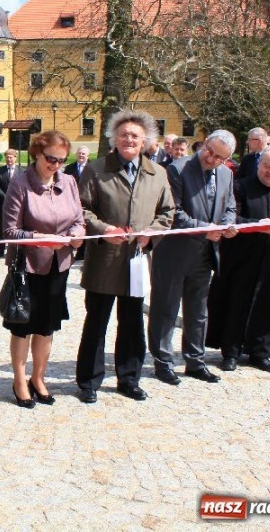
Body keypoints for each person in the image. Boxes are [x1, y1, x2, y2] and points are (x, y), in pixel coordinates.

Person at [76, 110, 175, 404]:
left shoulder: (158, 173)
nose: (128, 139)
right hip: (104, 260)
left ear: (145, 140)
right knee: (96, 322)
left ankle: (129, 378)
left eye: (134, 135)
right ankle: (89, 381)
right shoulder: (96, 170)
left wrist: (151, 233)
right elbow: (81, 209)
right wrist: (103, 229)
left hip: (136, 259)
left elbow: (168, 212)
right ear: (114, 139)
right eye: (123, 134)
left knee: (132, 322)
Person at [147, 130, 238, 386]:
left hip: (206, 253)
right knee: (166, 308)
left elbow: (230, 205)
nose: (211, 159)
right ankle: (163, 362)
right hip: (175, 251)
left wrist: (227, 224)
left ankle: (195, 361)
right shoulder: (177, 169)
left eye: (220, 157)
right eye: (210, 151)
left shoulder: (226, 174)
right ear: (204, 143)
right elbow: (174, 214)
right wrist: (207, 229)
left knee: (198, 310)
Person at [2, 131, 84, 408]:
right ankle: (20, 380)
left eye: (62, 160)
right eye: (51, 158)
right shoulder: (20, 184)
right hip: (28, 267)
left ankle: (39, 378)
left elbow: (79, 220)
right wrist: (38, 238)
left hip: (58, 266)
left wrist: (76, 234)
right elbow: (9, 231)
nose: (56, 165)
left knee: (47, 326)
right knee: (23, 326)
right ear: (37, 152)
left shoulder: (70, 182)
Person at [207, 148, 270, 373]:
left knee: (269, 305)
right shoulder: (239, 187)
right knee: (235, 302)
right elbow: (231, 217)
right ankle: (230, 351)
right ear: (259, 165)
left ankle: (260, 352)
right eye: (267, 166)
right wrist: (256, 224)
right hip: (242, 257)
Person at [0, 148, 23, 258]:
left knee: (16, 227)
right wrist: (5, 197)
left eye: (11, 157)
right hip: (2, 203)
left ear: (15, 158)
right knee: (1, 227)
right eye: (7, 157)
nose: (9, 159)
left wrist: (14, 198)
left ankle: (15, 251)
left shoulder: (22, 171)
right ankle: (0, 251)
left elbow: (24, 187)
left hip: (17, 204)